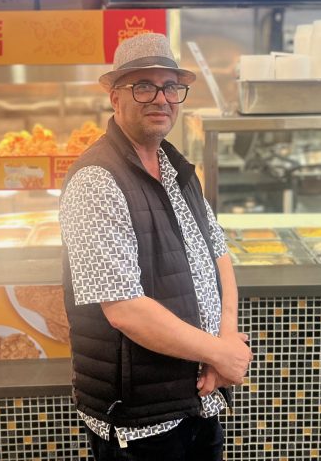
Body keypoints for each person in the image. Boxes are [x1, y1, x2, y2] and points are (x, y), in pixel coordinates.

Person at [60, 33, 252, 460]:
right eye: (143, 85)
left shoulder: (177, 167)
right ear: (114, 96)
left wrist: (225, 337)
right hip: (140, 420)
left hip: (197, 401)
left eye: (170, 86)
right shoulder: (96, 180)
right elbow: (125, 309)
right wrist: (220, 352)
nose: (161, 98)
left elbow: (219, 254)